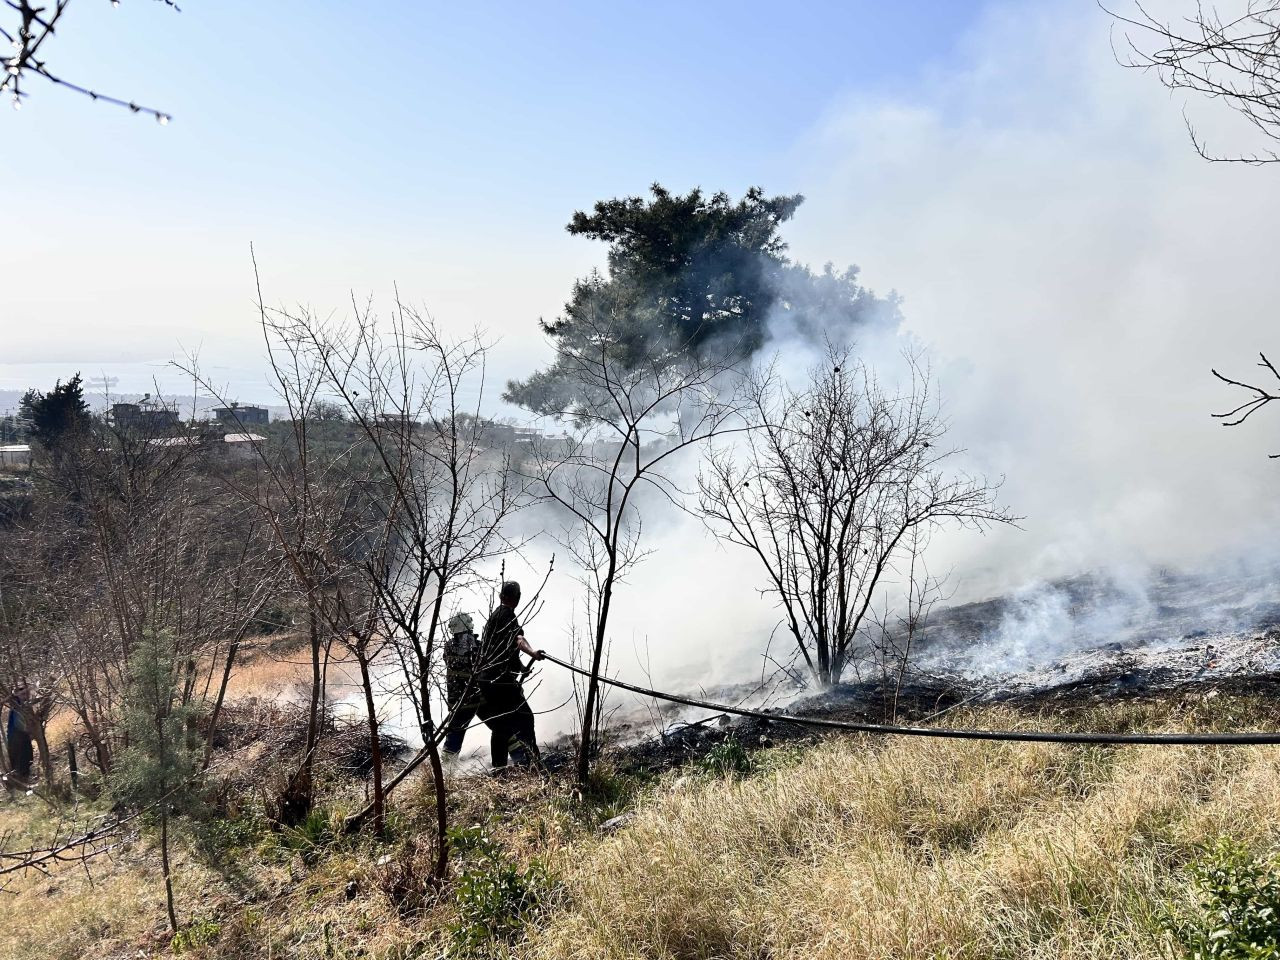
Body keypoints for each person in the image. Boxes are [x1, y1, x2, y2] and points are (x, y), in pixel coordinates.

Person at [475, 581, 545, 767]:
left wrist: (521, 667)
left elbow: (502, 649)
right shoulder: (506, 615)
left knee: (501, 726)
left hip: (487, 681)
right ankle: (534, 764)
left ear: (501, 596)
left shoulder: (494, 617)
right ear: (517, 597)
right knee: (525, 718)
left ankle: (499, 768)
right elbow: (518, 639)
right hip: (500, 681)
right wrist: (533, 653)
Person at [4, 682, 34, 787]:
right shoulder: (16, 703)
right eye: (23, 694)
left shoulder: (26, 704)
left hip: (22, 735)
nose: (26, 696)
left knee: (27, 757)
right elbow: (19, 723)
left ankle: (23, 781)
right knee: (20, 758)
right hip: (15, 735)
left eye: (27, 693)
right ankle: (17, 782)